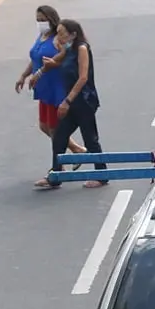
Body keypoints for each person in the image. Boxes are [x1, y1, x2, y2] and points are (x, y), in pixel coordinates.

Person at [35, 18, 106, 190]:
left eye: (62, 34)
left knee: (91, 139)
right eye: (58, 33)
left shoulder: (81, 48)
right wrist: (40, 72)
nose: (58, 37)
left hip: (83, 101)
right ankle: (56, 175)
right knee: (59, 137)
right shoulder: (68, 48)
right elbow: (57, 62)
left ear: (73, 34)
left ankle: (102, 175)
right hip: (70, 101)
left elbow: (83, 78)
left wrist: (67, 101)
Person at [13, 4, 81, 168]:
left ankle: (59, 165)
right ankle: (77, 150)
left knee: (54, 129)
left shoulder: (58, 40)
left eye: (43, 20)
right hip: (43, 88)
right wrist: (24, 75)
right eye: (38, 20)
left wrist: (48, 68)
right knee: (45, 126)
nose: (40, 23)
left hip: (55, 87)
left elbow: (65, 61)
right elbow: (35, 58)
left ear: (51, 20)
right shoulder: (41, 37)